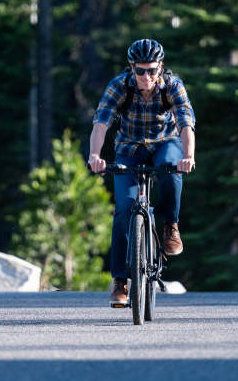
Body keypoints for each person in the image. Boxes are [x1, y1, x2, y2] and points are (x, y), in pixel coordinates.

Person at [88, 38, 196, 305]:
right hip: (129, 147)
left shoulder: (172, 86)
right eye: (140, 71)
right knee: (124, 209)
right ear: (131, 68)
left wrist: (189, 156)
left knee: (170, 171)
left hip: (165, 143)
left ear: (161, 68)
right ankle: (120, 282)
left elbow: (185, 123)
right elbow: (101, 122)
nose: (146, 77)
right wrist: (94, 155)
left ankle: (170, 226)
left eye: (151, 70)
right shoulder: (119, 85)